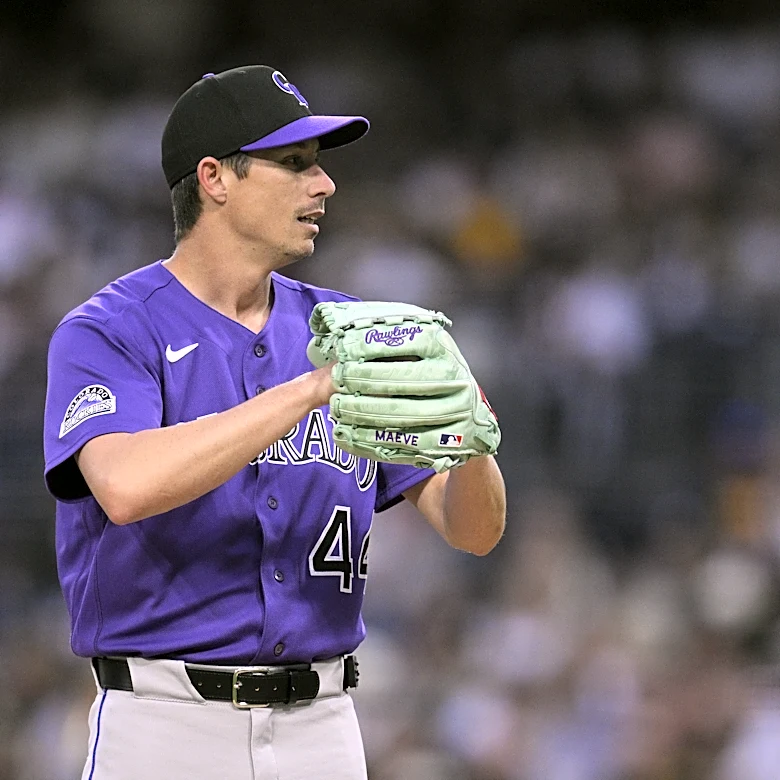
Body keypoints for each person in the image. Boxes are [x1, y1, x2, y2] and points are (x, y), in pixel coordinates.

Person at [42, 64, 506, 780]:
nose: (323, 186)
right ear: (214, 179)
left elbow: (473, 531)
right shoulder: (110, 332)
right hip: (164, 726)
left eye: (317, 166)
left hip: (323, 726)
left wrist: (471, 440)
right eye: (293, 165)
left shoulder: (351, 329)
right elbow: (125, 484)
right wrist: (310, 391)